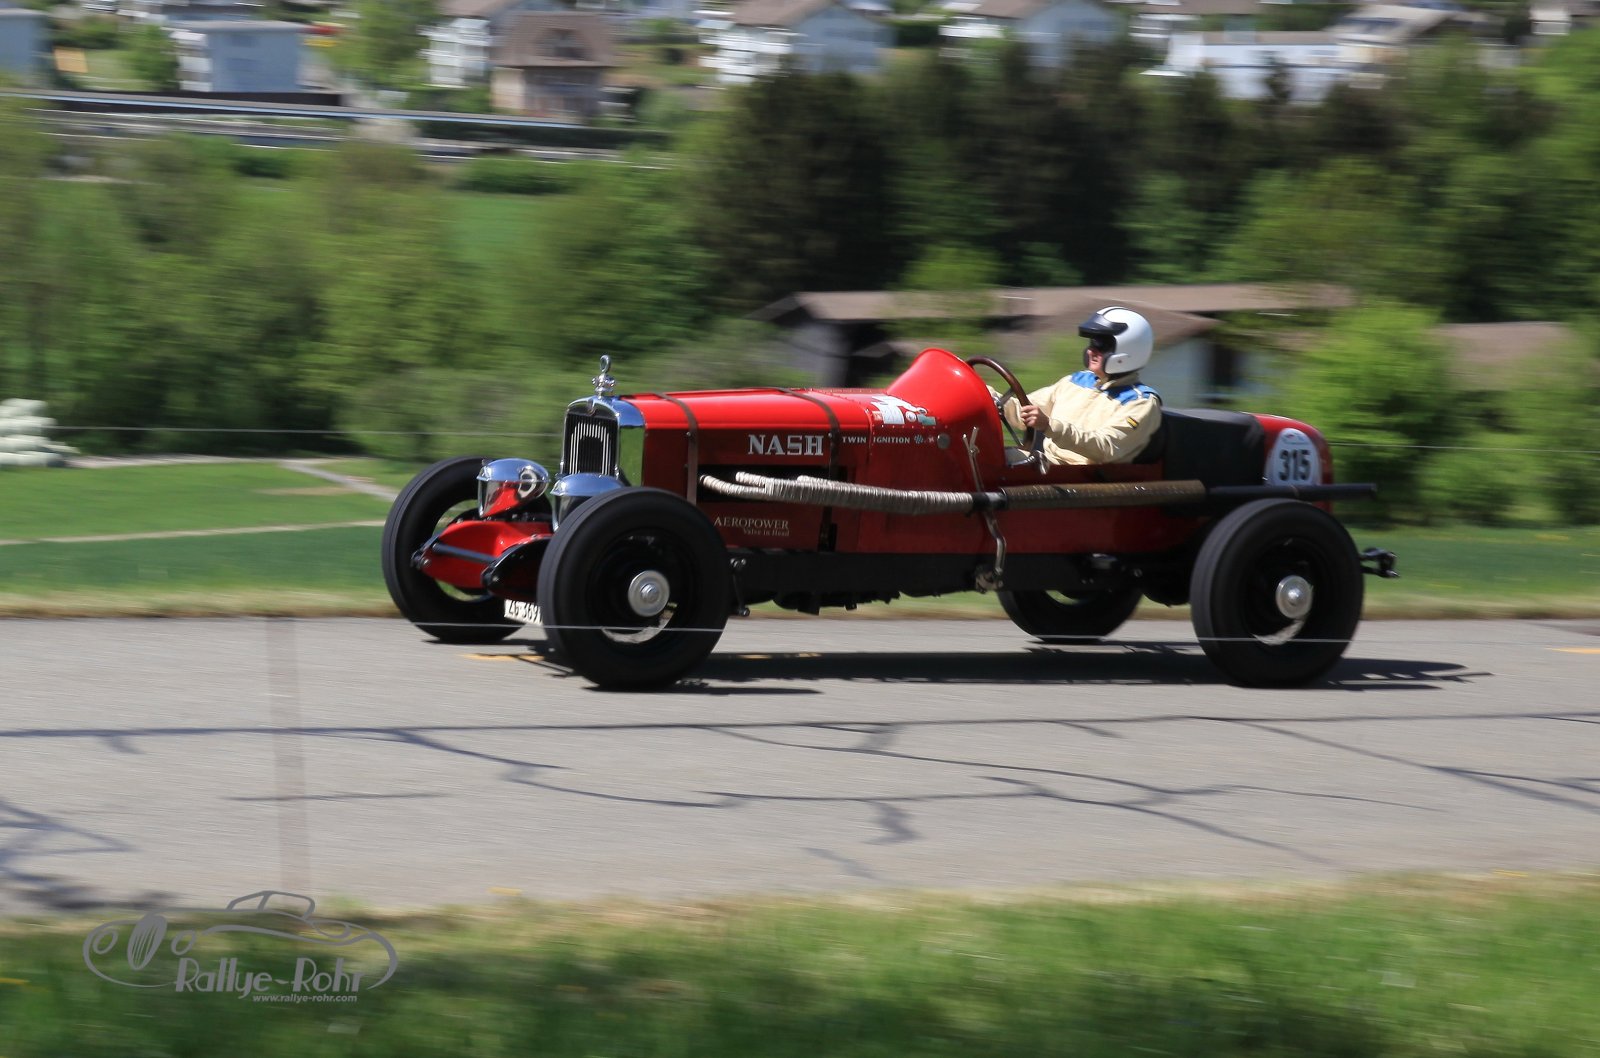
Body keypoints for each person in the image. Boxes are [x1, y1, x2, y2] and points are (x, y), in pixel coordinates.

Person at [994, 306, 1163, 465]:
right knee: (983, 455)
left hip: (1085, 478)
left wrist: (1049, 426)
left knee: (989, 464)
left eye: (1101, 344)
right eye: (1092, 343)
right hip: (1047, 464)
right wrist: (989, 397)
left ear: (1129, 349)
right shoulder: (1075, 381)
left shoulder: (1141, 402)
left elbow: (1106, 447)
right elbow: (1023, 410)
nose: (1091, 351)